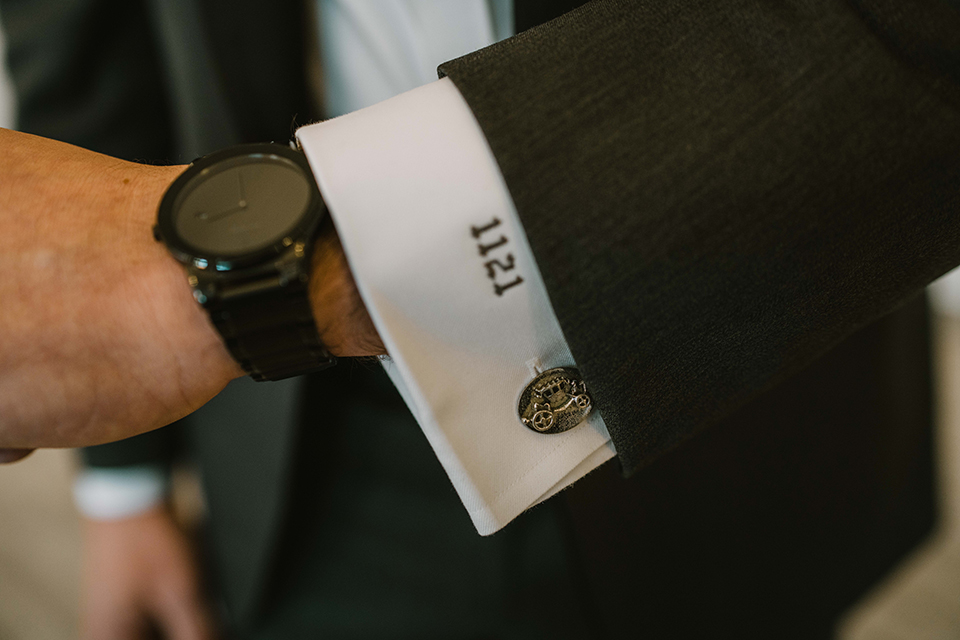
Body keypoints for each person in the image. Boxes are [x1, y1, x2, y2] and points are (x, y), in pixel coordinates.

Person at [1, 0, 959, 637]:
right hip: (306, 447)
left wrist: (266, 282)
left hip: (736, 359)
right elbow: (82, 26)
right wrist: (123, 488)